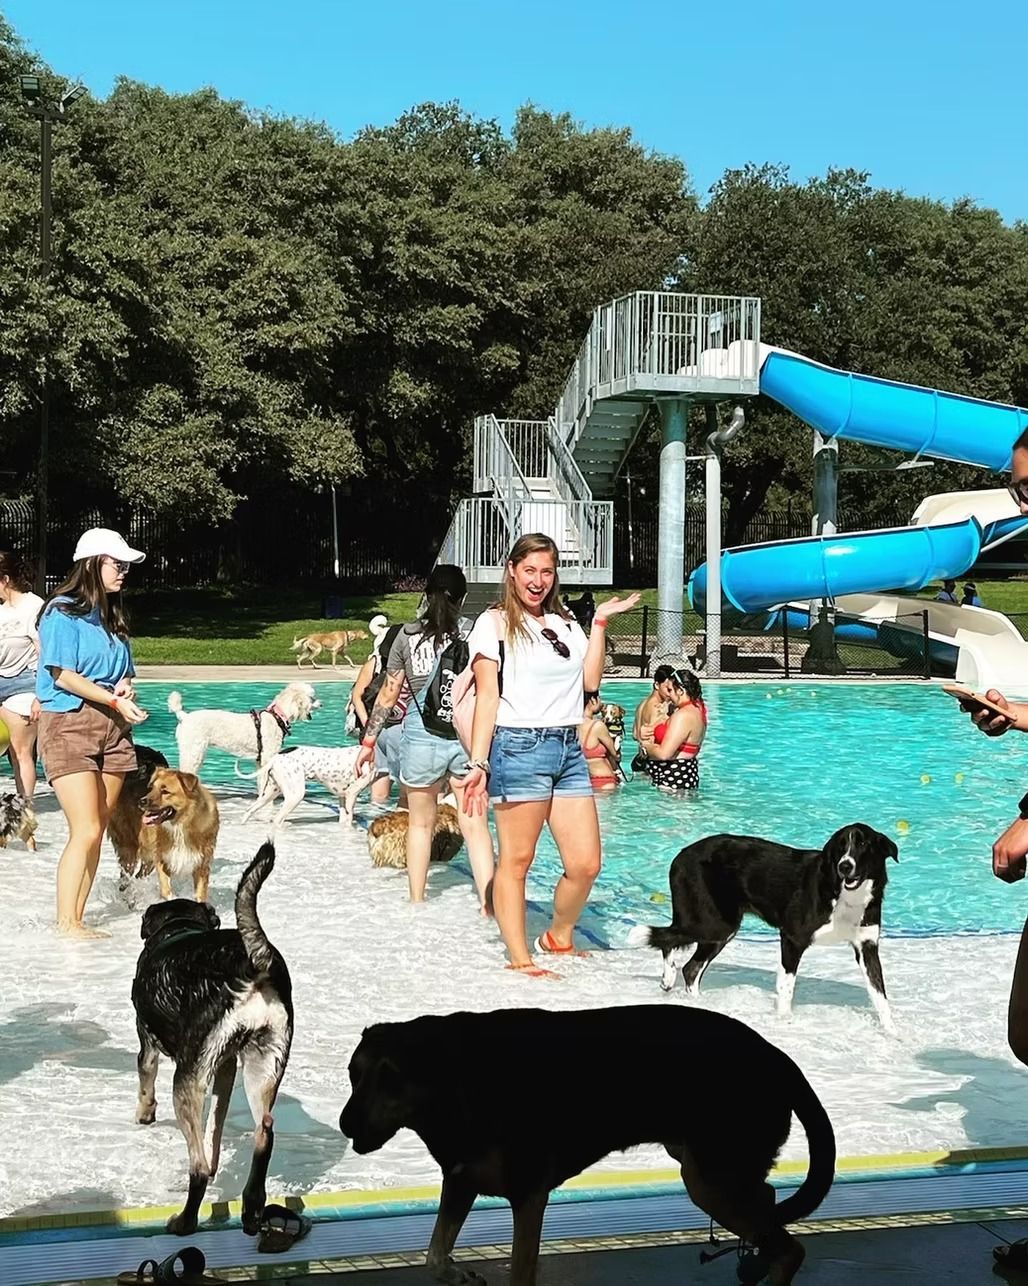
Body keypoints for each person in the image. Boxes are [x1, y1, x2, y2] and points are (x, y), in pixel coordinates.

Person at [461, 532, 640, 974]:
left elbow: (590, 682)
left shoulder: (563, 624)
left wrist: (598, 624)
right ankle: (519, 959)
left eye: (546, 571)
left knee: (586, 863)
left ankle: (559, 935)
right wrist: (479, 762)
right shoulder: (494, 623)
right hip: (518, 747)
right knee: (518, 861)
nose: (538, 581)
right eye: (530, 571)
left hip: (568, 750)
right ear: (512, 572)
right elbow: (487, 697)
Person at [356, 565, 494, 911]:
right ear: (462, 599)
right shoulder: (475, 635)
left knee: (420, 824)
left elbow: (388, 694)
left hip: (420, 735)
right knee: (475, 826)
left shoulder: (405, 636)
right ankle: (488, 904)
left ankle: (417, 901)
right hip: (466, 736)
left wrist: (369, 742)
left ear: (425, 595)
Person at [36, 529, 148, 938]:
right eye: (116, 564)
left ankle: (77, 918)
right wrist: (113, 700)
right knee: (84, 828)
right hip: (70, 724)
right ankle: (66, 922)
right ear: (91, 564)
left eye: (124, 565)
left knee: (99, 826)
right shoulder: (61, 612)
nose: (123, 571)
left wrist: (124, 689)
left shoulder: (113, 615)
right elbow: (61, 675)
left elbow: (125, 672)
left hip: (113, 727)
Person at [348, 614, 405, 804]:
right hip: (396, 731)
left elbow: (357, 696)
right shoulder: (403, 664)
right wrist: (368, 725)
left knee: (378, 792)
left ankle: (374, 825)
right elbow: (358, 697)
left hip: (376, 730)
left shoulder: (375, 662)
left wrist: (369, 727)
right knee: (409, 793)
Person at [0, 551, 44, 797]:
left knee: (20, 751)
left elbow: (46, 655)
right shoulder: (1, 610)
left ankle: (23, 809)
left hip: (24, 684)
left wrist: (41, 695)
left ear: (5, 579)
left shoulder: (34, 607)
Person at [637, 667, 707, 791]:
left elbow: (664, 754)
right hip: (684, 774)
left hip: (673, 778)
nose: (668, 695)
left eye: (670, 690)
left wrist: (645, 747)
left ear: (680, 691)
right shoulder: (697, 709)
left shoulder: (683, 715)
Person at [631, 664, 675, 774]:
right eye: (668, 689)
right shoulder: (657, 709)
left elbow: (635, 735)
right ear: (656, 685)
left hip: (640, 761)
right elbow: (652, 740)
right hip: (652, 764)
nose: (671, 693)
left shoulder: (642, 704)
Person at [578, 690, 620, 792]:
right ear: (593, 700)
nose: (601, 703)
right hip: (604, 780)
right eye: (599, 699)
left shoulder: (572, 725)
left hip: (582, 781)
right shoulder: (597, 726)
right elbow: (615, 755)